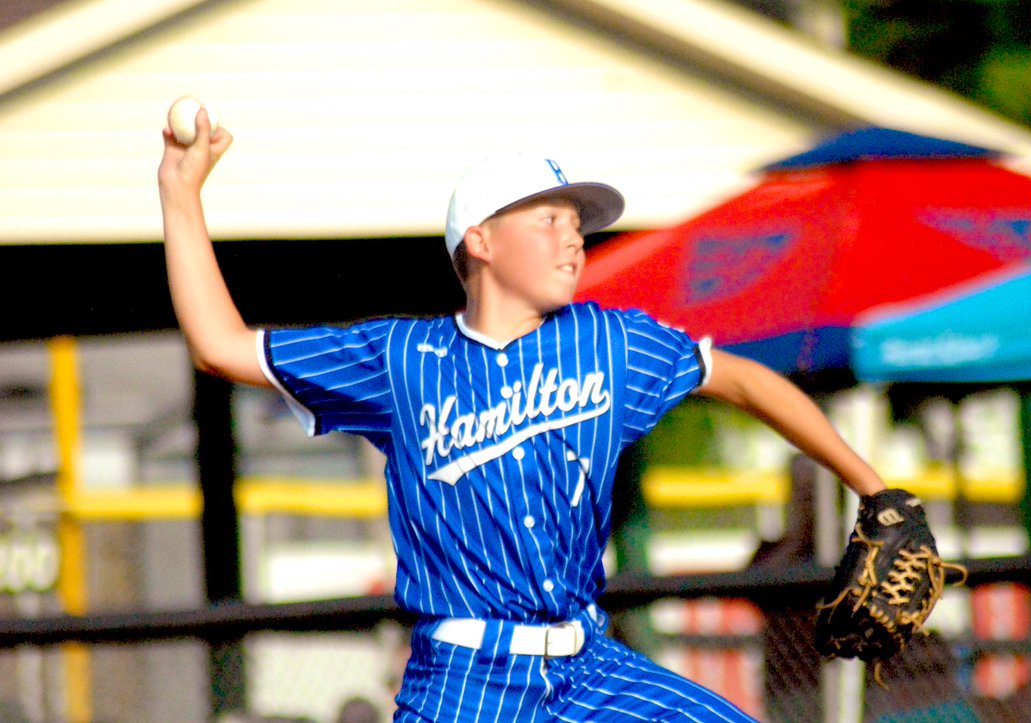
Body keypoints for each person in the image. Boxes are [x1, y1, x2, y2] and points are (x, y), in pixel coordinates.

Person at [156, 110, 888, 722]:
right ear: (479, 240)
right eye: (548, 220)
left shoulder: (609, 344)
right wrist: (180, 193)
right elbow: (219, 347)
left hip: (592, 669)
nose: (574, 237)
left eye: (577, 223)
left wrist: (875, 489)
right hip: (466, 682)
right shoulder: (402, 359)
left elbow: (743, 381)